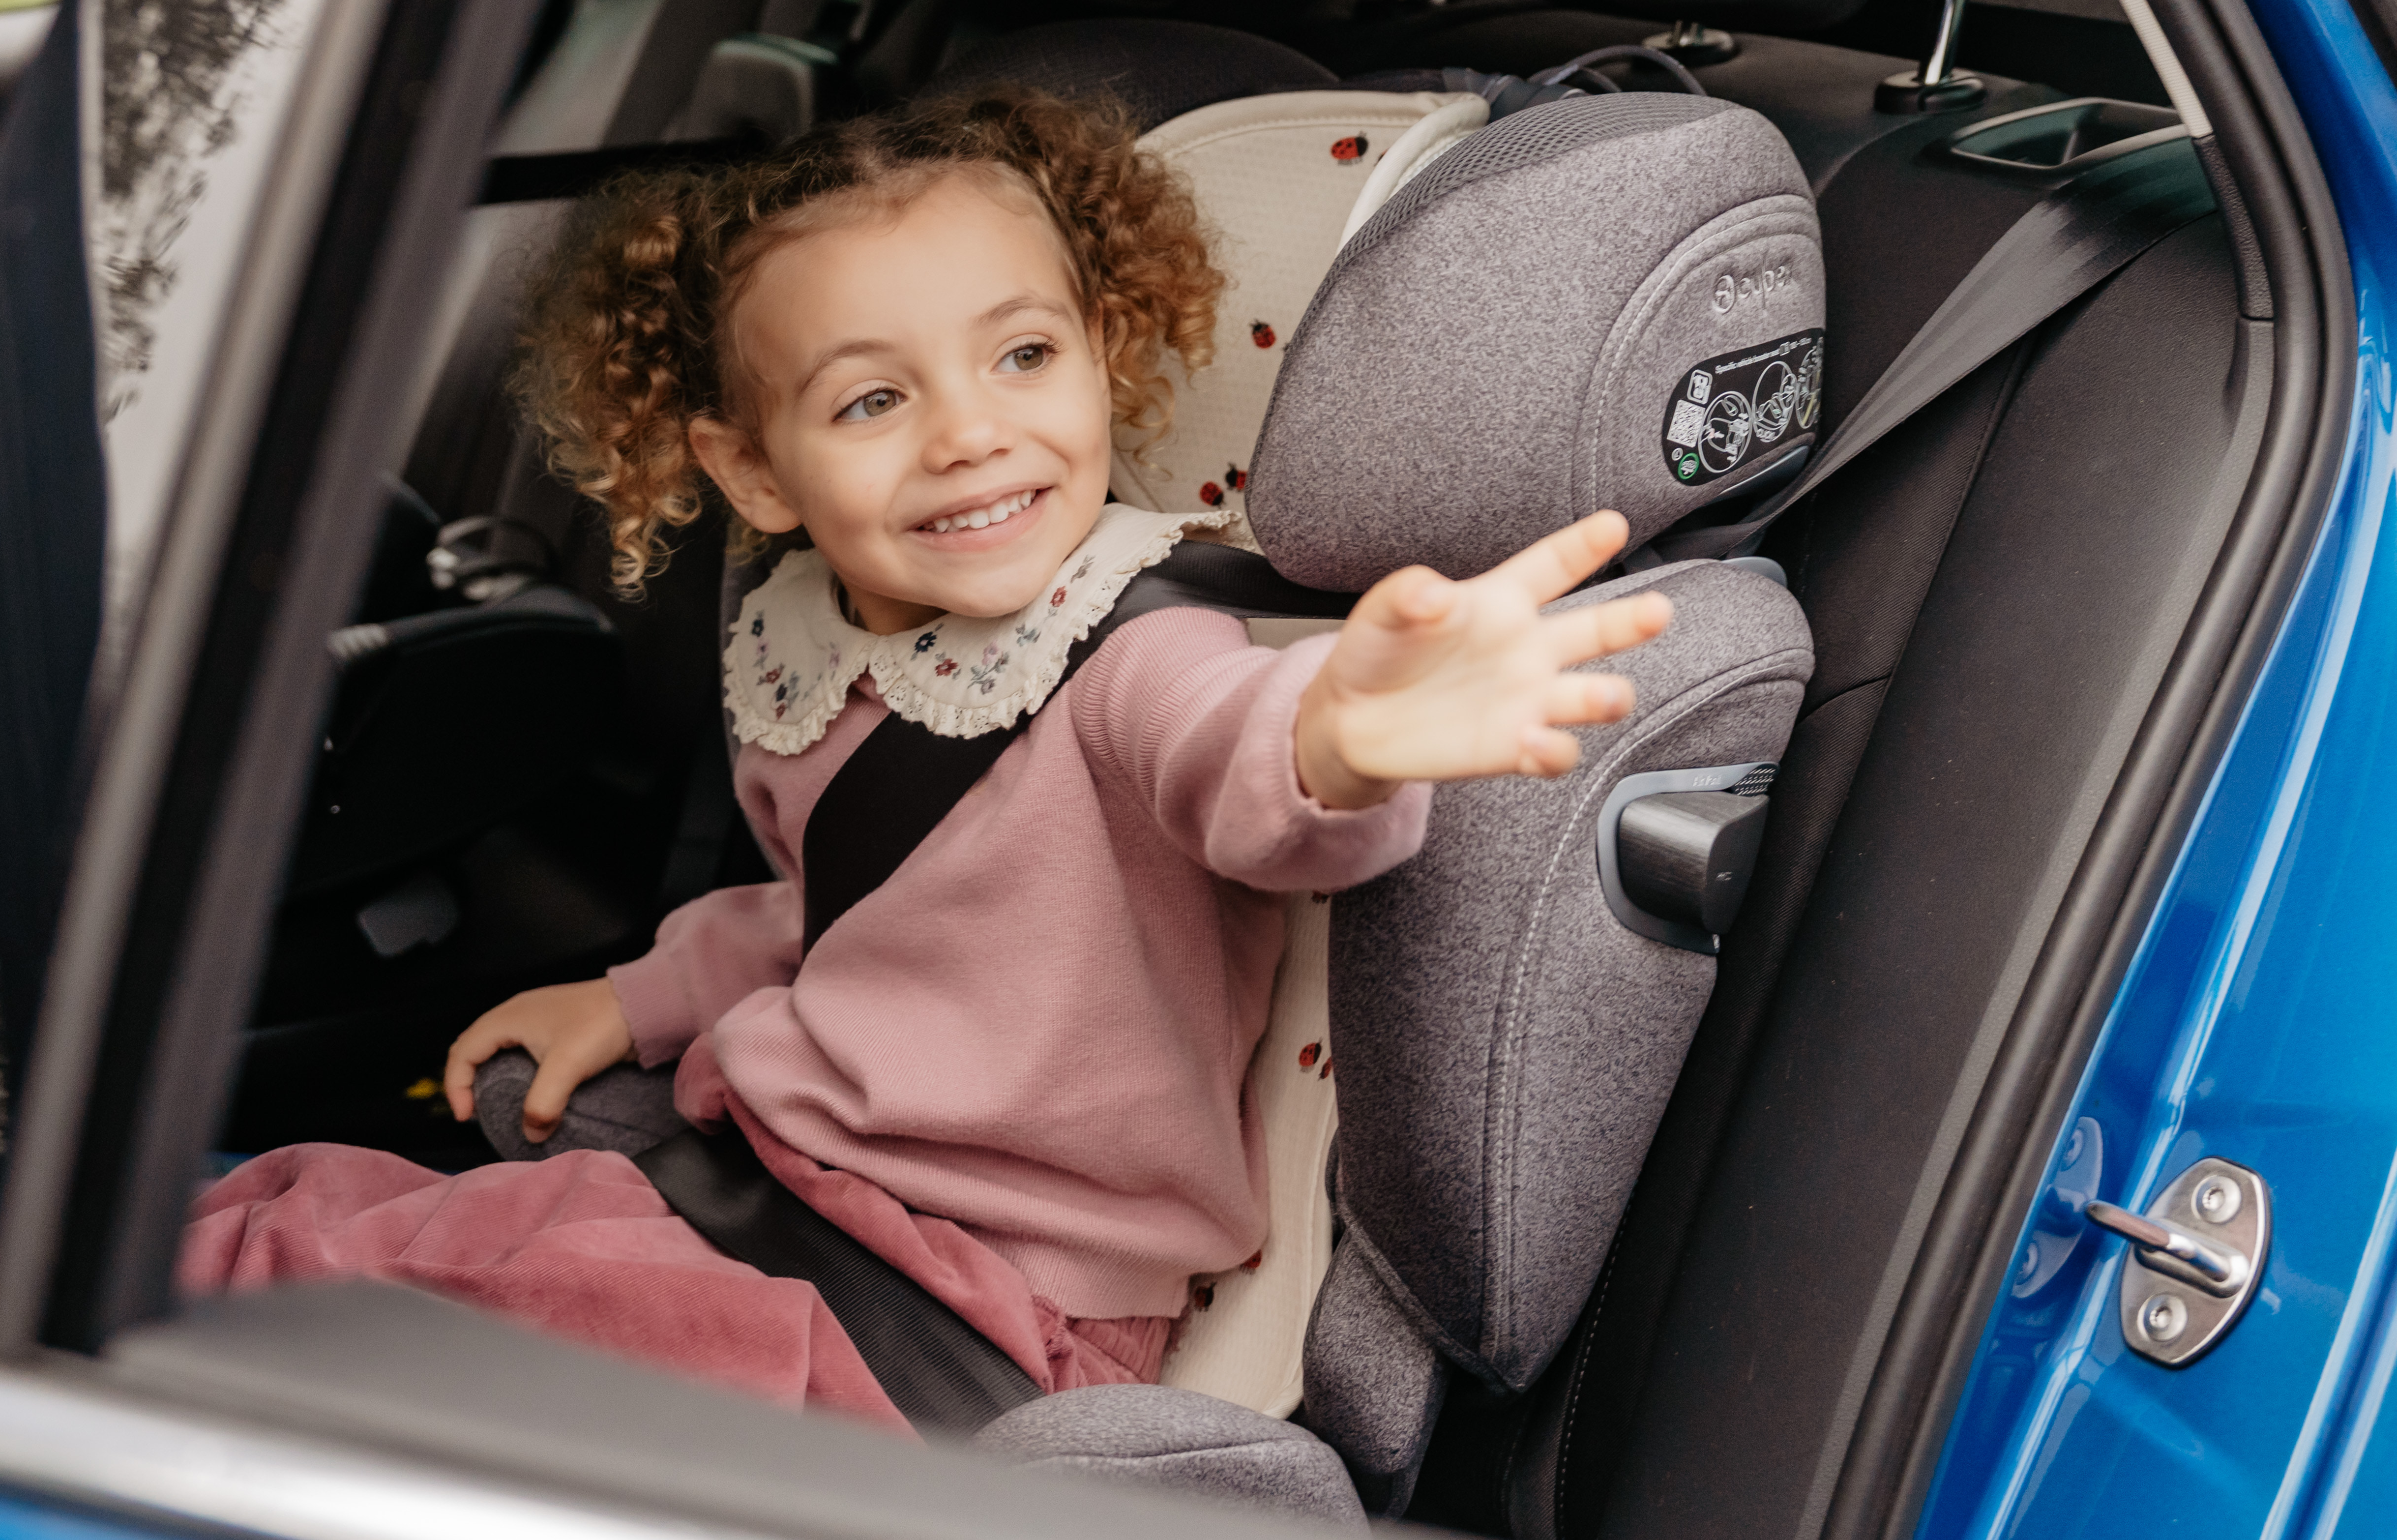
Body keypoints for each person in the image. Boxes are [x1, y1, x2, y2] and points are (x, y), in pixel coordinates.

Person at [184, 89, 1672, 1431]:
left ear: (1103, 356)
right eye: (873, 401)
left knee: (384, 1329)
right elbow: (827, 917)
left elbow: (1232, 763)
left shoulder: (1131, 651)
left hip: (984, 1307)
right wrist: (637, 995)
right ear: (753, 469)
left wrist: (1335, 739)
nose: (970, 434)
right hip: (785, 1180)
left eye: (1024, 357)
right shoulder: (815, 642)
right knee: (324, 1237)